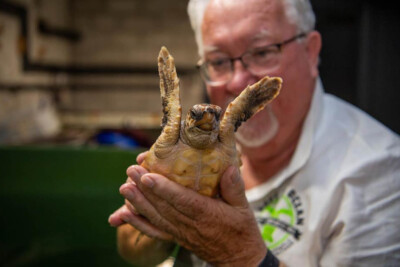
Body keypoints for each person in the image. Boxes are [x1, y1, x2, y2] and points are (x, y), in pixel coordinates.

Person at [109, 0, 400, 266]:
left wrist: (242, 257)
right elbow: (133, 253)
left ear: (311, 52)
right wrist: (161, 219)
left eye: (262, 52)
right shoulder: (195, 142)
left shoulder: (380, 174)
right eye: (219, 61)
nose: (237, 81)